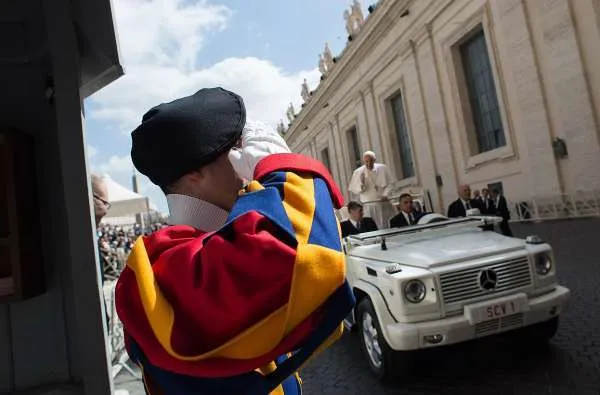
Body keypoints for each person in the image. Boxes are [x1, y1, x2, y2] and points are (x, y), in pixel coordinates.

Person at [115, 87, 355, 395]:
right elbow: (297, 257)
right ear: (195, 173)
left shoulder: (216, 243)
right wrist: (278, 166)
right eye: (234, 149)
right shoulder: (160, 270)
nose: (247, 166)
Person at [347, 150, 395, 229]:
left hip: (383, 204)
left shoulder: (383, 168)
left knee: (387, 226)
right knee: (371, 227)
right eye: (366, 162)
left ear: (374, 160)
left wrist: (385, 194)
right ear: (363, 161)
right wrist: (362, 183)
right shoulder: (358, 172)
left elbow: (391, 183)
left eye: (370, 161)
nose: (368, 164)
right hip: (368, 206)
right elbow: (355, 190)